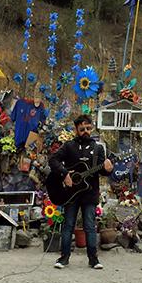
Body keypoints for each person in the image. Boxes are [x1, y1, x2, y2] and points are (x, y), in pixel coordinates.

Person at [48, 114, 113, 269]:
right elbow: (53, 160)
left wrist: (108, 169)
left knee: (90, 226)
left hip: (90, 194)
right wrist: (64, 174)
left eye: (88, 128)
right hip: (70, 192)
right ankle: (64, 258)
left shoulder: (98, 148)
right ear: (76, 130)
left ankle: (93, 259)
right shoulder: (69, 146)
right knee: (68, 224)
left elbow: (102, 171)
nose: (85, 131)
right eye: (82, 129)